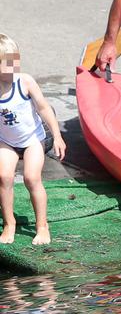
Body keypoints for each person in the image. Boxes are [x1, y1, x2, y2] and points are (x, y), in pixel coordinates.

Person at [0, 34, 66, 244]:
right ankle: (10, 224)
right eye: (8, 62)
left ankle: (42, 226)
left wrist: (57, 136)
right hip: (6, 141)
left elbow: (44, 108)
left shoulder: (25, 81)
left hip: (32, 139)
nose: (14, 65)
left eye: (15, 60)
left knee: (31, 178)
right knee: (4, 177)